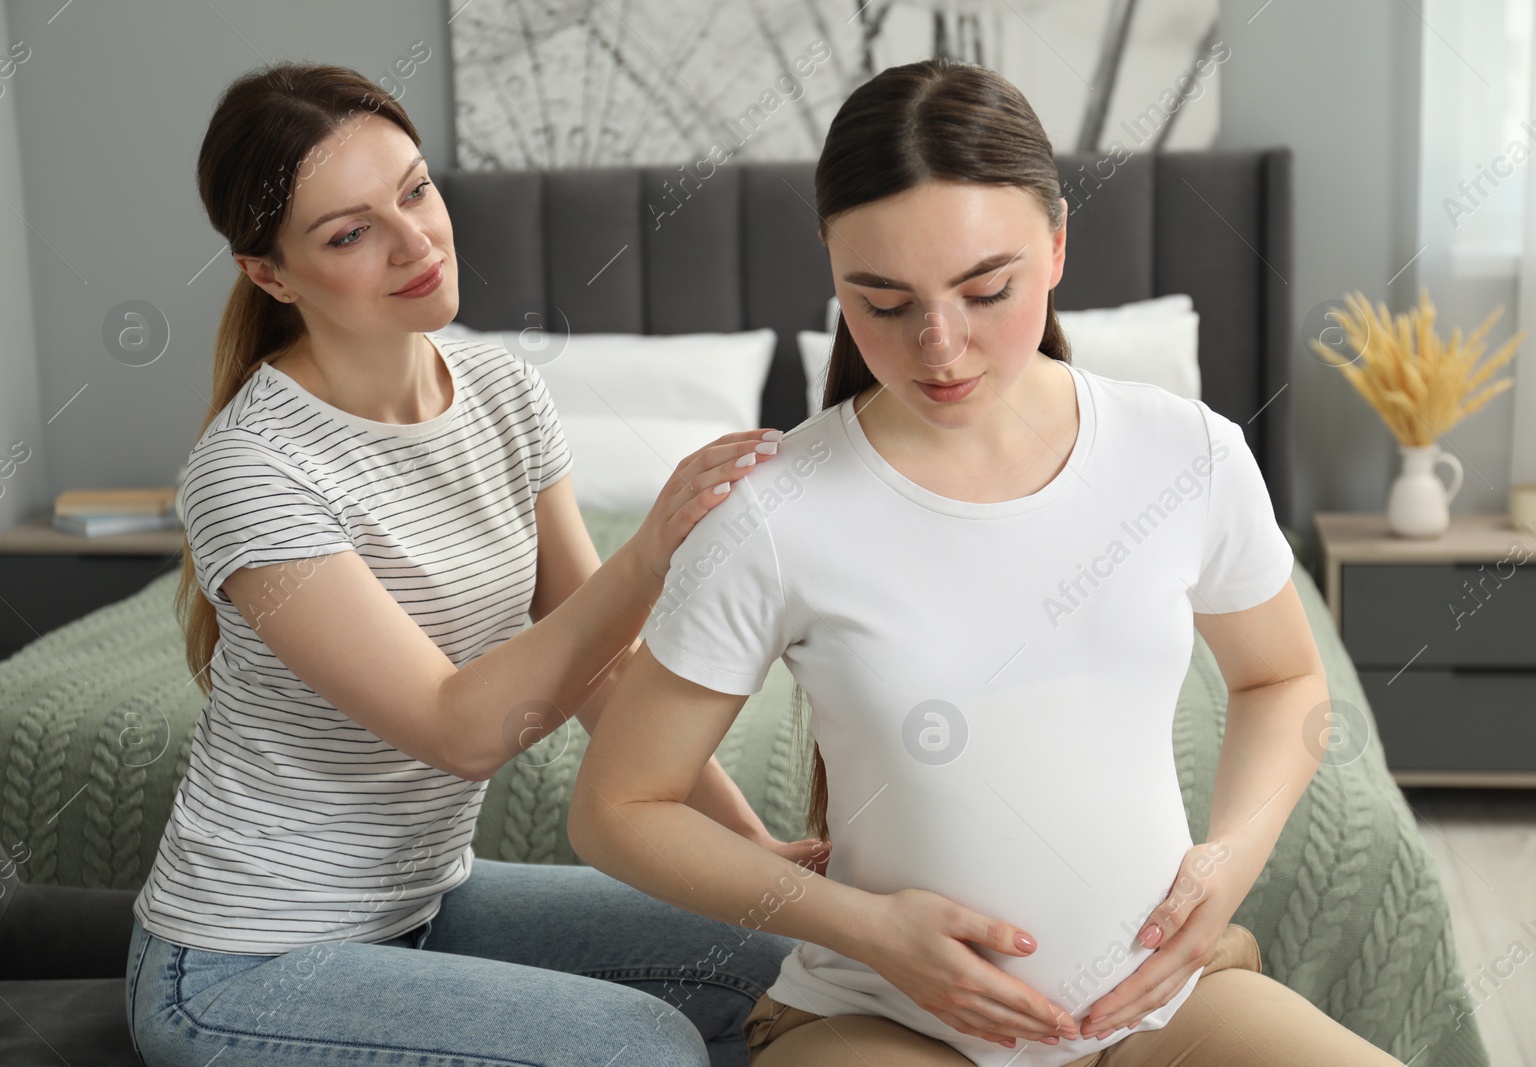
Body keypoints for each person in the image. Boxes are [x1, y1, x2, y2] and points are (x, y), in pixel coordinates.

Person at [568, 58, 1410, 1067]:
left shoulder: (1186, 453)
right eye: (881, 303)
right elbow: (618, 808)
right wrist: (865, 926)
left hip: (1161, 1005)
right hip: (882, 1020)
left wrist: (1228, 858)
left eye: (985, 290)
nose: (940, 346)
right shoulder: (773, 506)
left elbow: (1280, 676)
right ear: (833, 272)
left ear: (1056, 242)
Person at [124, 61, 819, 1067]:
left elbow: (605, 671)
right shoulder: (250, 467)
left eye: (414, 188)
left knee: (789, 955)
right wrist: (651, 551)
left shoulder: (499, 388)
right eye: (349, 232)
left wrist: (752, 853)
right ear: (269, 273)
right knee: (638, 1048)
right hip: (244, 960)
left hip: (427, 901)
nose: (416, 240)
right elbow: (460, 730)